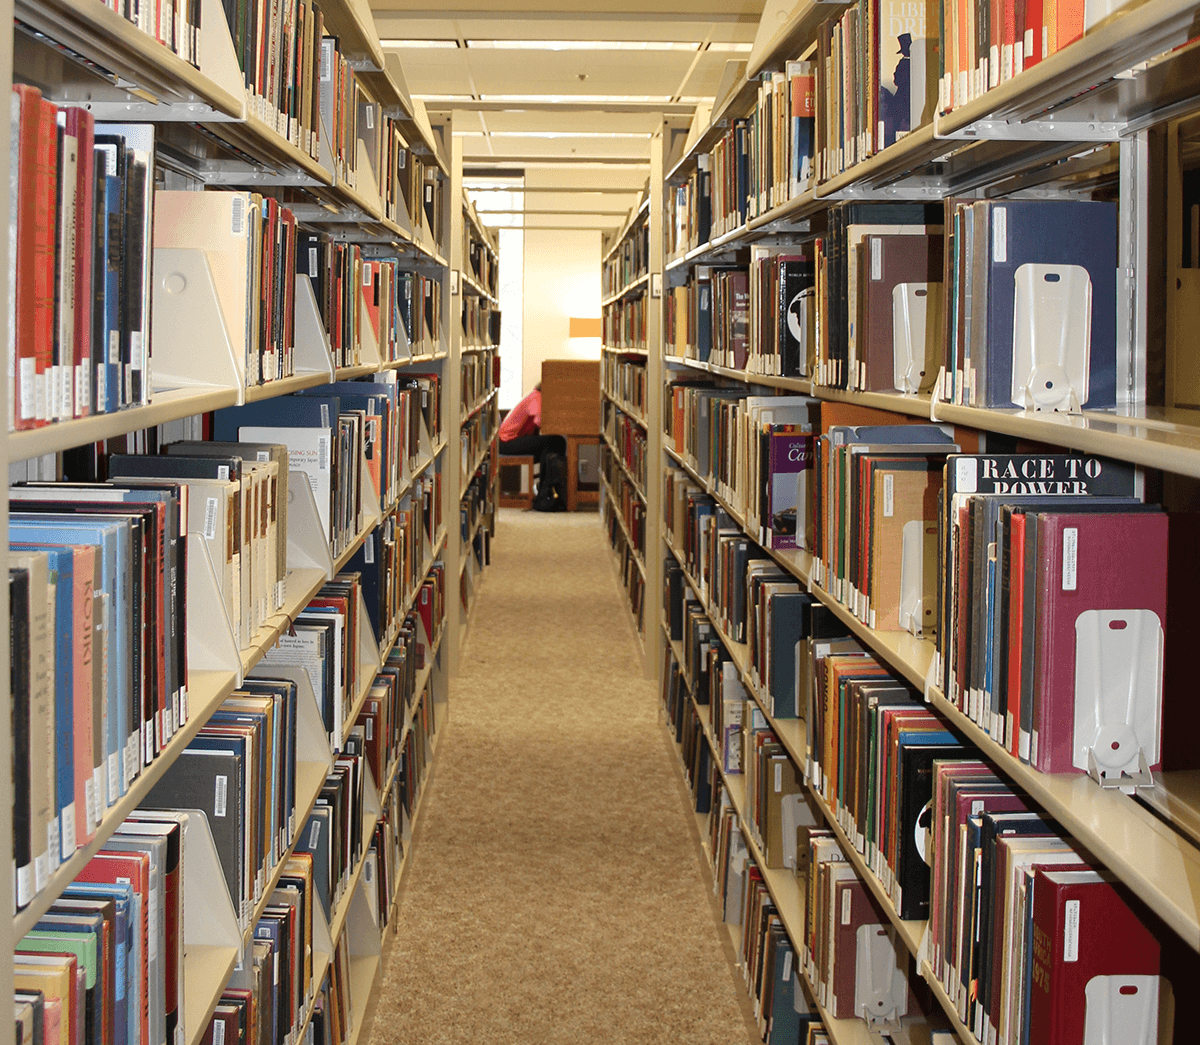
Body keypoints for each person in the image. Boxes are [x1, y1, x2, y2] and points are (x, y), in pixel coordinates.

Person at [499, 383, 567, 510]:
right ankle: (546, 491)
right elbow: (539, 421)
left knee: (550, 447)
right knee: (557, 442)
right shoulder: (537, 397)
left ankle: (545, 493)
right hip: (507, 443)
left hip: (511, 440)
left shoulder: (534, 395)